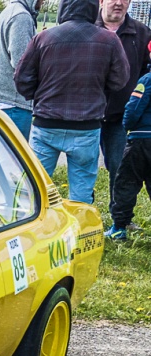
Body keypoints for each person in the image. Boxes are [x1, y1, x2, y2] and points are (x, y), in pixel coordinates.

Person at [15, 0, 129, 204]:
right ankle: (79, 232)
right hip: (87, 126)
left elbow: (22, 78)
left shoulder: (43, 38)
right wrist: (98, 87)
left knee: (34, 188)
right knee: (82, 193)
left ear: (63, 8)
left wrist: (40, 95)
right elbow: (120, 80)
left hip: (46, 124)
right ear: (94, 8)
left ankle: (34, 231)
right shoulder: (110, 40)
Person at [97, 0, 151, 218]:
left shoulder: (142, 33)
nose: (118, 3)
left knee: (119, 168)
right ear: (101, 1)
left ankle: (118, 219)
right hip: (87, 115)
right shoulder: (88, 28)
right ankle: (84, 217)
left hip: (121, 116)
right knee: (84, 169)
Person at [106, 42, 151, 240]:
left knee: (126, 183)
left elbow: (132, 109)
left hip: (141, 140)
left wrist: (127, 128)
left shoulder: (146, 80)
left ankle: (119, 227)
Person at [0, 0, 46, 140]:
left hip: (4, 100)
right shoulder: (21, 17)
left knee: (0, 157)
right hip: (13, 102)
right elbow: (23, 64)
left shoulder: (11, 11)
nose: (43, 1)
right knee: (12, 160)